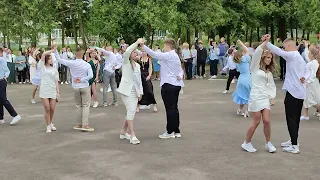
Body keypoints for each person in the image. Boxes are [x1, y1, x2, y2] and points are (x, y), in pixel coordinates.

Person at [265, 35, 310, 154]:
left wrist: (267, 43)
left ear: (290, 46)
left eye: (285, 47)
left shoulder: (293, 55)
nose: (284, 49)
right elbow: (307, 72)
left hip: (293, 92)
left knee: (291, 119)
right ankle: (293, 140)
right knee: (295, 119)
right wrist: (304, 78)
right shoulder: (299, 57)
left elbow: (279, 52)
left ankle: (294, 145)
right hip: (298, 92)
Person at [141, 38, 184, 139]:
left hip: (169, 84)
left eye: (164, 46)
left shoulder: (169, 55)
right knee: (174, 108)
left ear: (168, 46)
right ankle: (176, 130)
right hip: (175, 84)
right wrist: (142, 50)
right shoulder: (174, 55)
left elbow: (155, 55)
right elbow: (180, 70)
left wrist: (143, 46)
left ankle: (170, 131)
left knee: (170, 108)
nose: (163, 48)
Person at [241, 36, 277, 153]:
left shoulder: (269, 73)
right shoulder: (255, 67)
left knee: (266, 120)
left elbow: (271, 86)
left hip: (265, 97)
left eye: (270, 58)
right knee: (256, 121)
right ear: (262, 58)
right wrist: (265, 42)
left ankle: (268, 143)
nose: (269, 60)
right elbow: (256, 53)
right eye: (267, 57)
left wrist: (272, 97)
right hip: (256, 96)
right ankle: (247, 143)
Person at [54, 47, 94, 132]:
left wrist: (55, 50)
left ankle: (79, 124)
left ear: (75, 54)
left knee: (78, 105)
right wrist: (82, 79)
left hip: (76, 86)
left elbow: (59, 59)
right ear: (83, 54)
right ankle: (85, 124)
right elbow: (91, 76)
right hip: (84, 86)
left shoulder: (72, 63)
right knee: (86, 105)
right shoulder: (86, 64)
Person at [117, 38, 144, 145]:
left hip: (134, 91)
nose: (134, 53)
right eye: (133, 52)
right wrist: (137, 43)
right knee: (131, 110)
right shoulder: (125, 63)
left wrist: (140, 92)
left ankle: (123, 132)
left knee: (131, 112)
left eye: (135, 52)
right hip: (125, 90)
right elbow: (127, 51)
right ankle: (132, 134)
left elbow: (139, 81)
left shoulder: (137, 66)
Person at [38, 48, 60, 133]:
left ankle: (50, 123)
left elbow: (56, 82)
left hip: (52, 89)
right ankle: (48, 126)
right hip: (44, 89)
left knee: (52, 108)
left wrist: (58, 92)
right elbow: (43, 54)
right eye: (50, 58)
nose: (51, 60)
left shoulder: (54, 70)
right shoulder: (42, 67)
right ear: (47, 59)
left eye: (52, 59)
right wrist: (52, 50)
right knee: (47, 108)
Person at [0, 48, 22, 125]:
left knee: (3, 99)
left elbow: (7, 70)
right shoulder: (3, 59)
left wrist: (5, 76)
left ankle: (15, 115)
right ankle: (1, 118)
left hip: (1, 81)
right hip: (2, 80)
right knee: (0, 100)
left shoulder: (1, 59)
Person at [300, 42, 320, 121]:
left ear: (312, 54)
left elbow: (313, 74)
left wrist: (308, 82)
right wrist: (306, 46)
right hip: (309, 83)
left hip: (312, 83)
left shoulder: (314, 63)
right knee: (307, 98)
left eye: (309, 53)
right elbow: (306, 56)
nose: (307, 54)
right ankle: (305, 115)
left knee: (311, 100)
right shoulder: (312, 61)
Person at [232, 40, 251, 118]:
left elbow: (238, 70)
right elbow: (248, 51)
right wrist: (241, 44)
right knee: (248, 95)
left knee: (243, 95)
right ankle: (246, 111)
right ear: (241, 55)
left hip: (241, 79)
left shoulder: (237, 63)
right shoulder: (245, 59)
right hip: (248, 78)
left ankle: (240, 109)